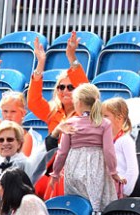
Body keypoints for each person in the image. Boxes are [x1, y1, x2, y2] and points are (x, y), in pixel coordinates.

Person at [27, 31, 89, 199]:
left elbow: (85, 87)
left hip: (77, 164)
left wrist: (71, 56)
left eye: (71, 87)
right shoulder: (52, 111)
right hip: (53, 165)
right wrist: (40, 64)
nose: (65, 91)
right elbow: (33, 101)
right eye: (61, 87)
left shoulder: (85, 111)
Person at [49, 83, 123, 211]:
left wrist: (55, 173)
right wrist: (113, 172)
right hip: (96, 169)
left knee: (76, 206)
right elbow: (108, 151)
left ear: (78, 103)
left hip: (73, 169)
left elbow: (62, 152)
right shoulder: (104, 123)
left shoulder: (70, 123)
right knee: (97, 207)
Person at [0, 120, 49, 192]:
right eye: (1, 140)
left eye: (10, 139)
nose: (5, 143)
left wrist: (55, 134)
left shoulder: (25, 164)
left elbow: (42, 154)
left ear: (19, 143)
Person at [102, 97, 139, 197]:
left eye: (105, 116)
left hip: (119, 191)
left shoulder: (125, 140)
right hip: (105, 190)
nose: (102, 120)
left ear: (119, 118)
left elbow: (133, 170)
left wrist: (124, 192)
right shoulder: (103, 139)